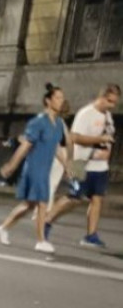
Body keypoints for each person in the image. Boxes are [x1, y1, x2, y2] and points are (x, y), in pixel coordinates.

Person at [0, 82, 68, 255]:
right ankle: (41, 240)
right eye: (58, 98)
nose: (61, 101)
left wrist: (67, 165)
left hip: (45, 168)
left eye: (62, 98)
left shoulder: (58, 123)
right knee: (42, 204)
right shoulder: (38, 122)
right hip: (34, 168)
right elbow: (25, 145)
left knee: (29, 205)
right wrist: (12, 165)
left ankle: (3, 228)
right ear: (48, 101)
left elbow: (56, 147)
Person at [45, 82, 120, 249]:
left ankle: (91, 235)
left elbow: (108, 137)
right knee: (74, 198)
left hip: (100, 166)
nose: (112, 105)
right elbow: (75, 137)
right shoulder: (86, 114)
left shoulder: (107, 116)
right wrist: (98, 141)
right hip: (80, 163)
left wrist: (106, 150)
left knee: (97, 199)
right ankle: (47, 221)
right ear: (101, 97)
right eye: (109, 101)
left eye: (115, 102)